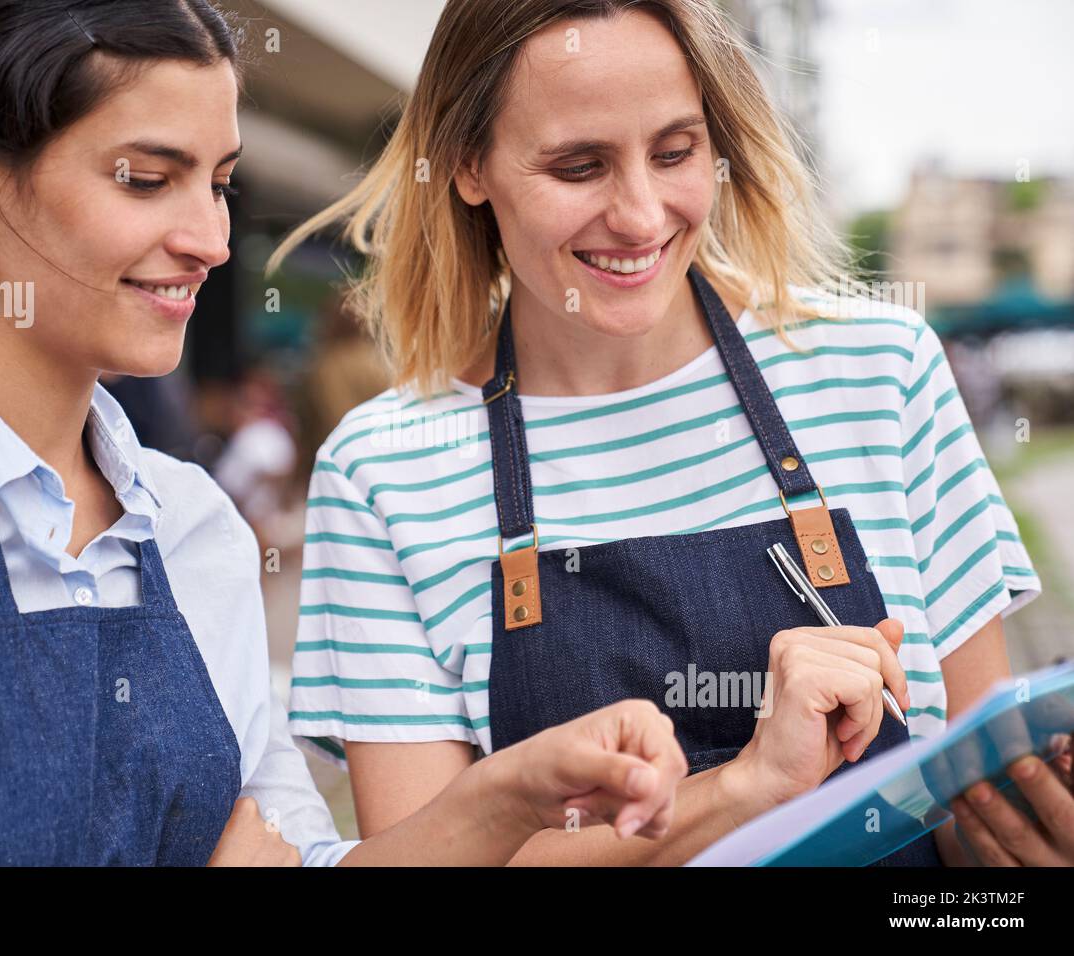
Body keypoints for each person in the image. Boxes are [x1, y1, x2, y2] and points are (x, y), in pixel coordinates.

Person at [0, 0, 688, 866]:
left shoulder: (190, 522)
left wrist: (509, 798)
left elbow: (295, 856)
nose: (211, 239)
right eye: (146, 179)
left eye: (219, 184)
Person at [271, 0, 1067, 865]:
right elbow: (430, 859)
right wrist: (746, 786)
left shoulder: (883, 372)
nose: (643, 217)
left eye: (676, 152)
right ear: (468, 165)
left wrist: (1032, 834)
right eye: (580, 166)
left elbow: (979, 815)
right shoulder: (383, 471)